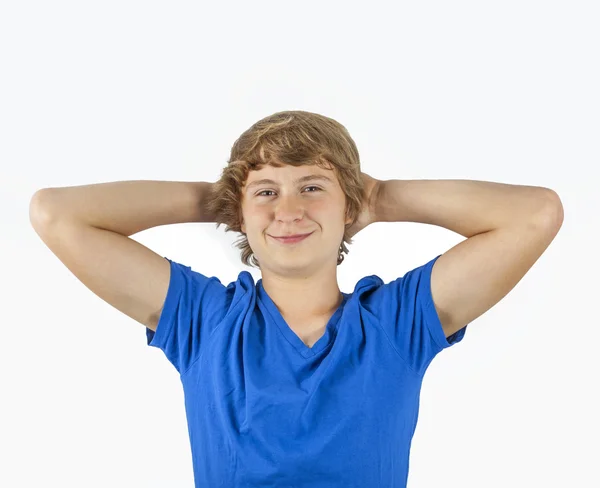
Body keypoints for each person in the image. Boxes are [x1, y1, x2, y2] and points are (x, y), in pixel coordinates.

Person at [29, 110, 563, 487]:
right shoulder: (203, 320)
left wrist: (377, 196)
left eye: (312, 187)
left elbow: (535, 213)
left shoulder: (397, 325)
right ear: (238, 213)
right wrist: (223, 198)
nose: (288, 210)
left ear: (349, 207)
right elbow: (55, 213)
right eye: (267, 191)